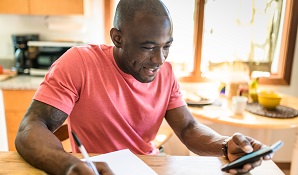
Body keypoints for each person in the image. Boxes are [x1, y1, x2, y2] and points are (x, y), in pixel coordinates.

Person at [15, 0, 272, 174]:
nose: (160, 60)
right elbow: (31, 127)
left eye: (167, 46)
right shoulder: (79, 63)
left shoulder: (166, 72)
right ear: (117, 38)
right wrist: (69, 165)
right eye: (149, 47)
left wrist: (225, 145)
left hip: (148, 166)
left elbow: (187, 127)